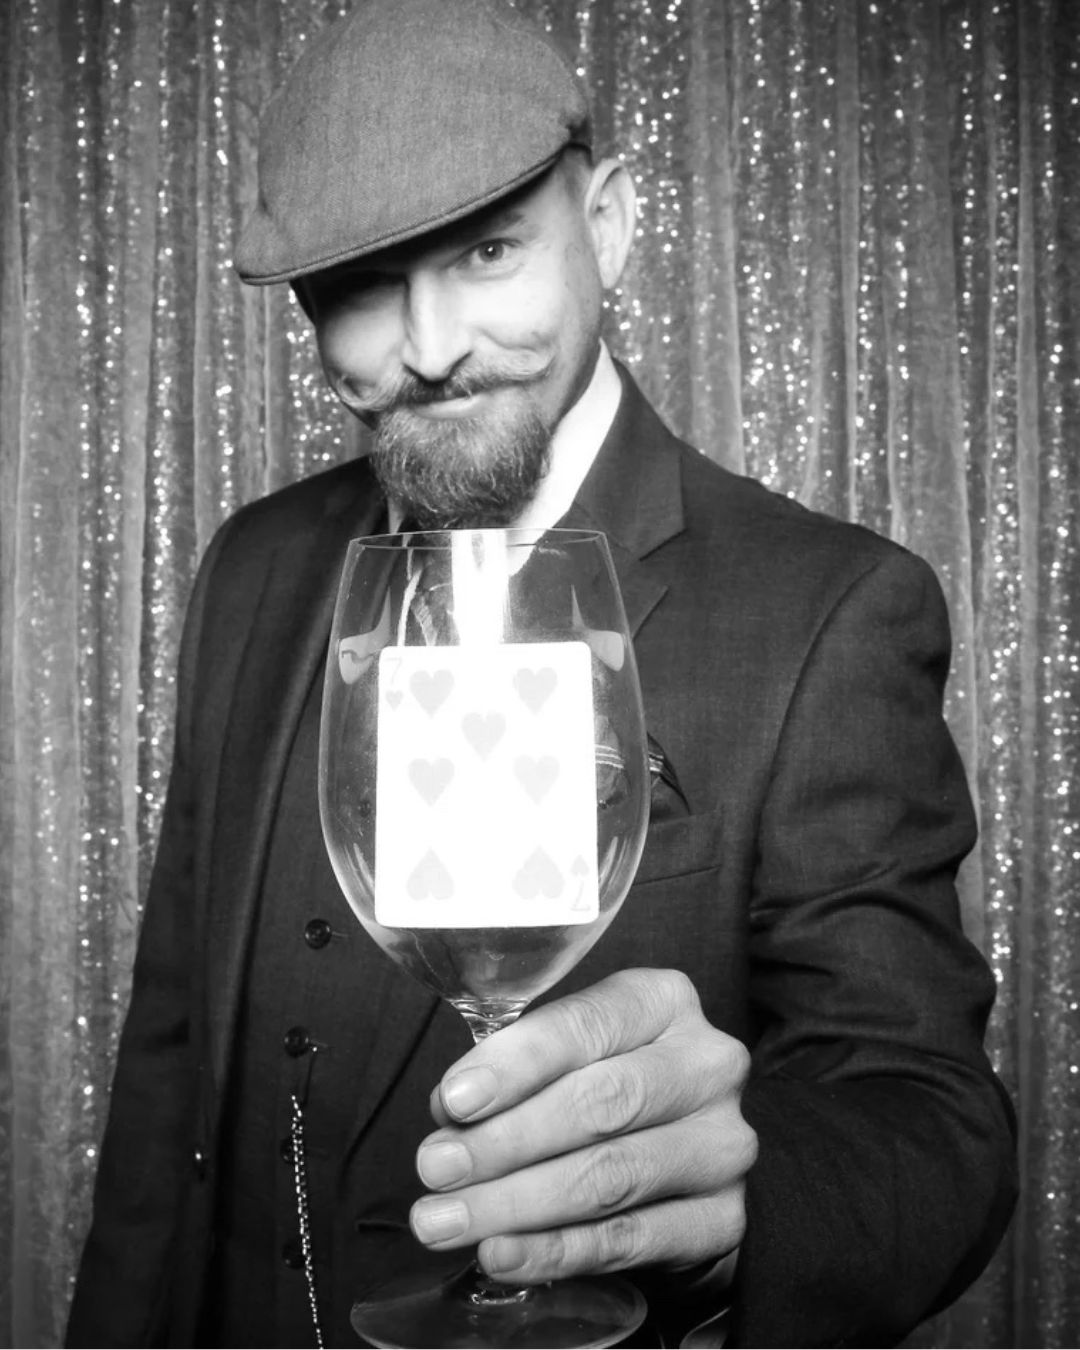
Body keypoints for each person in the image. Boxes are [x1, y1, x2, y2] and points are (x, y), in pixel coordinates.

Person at [67, 1, 1017, 1346]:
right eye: (363, 284)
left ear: (609, 227)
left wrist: (736, 1208)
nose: (432, 344)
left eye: (490, 250)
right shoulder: (253, 567)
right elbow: (168, 1062)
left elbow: (926, 1116)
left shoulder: (831, 608)